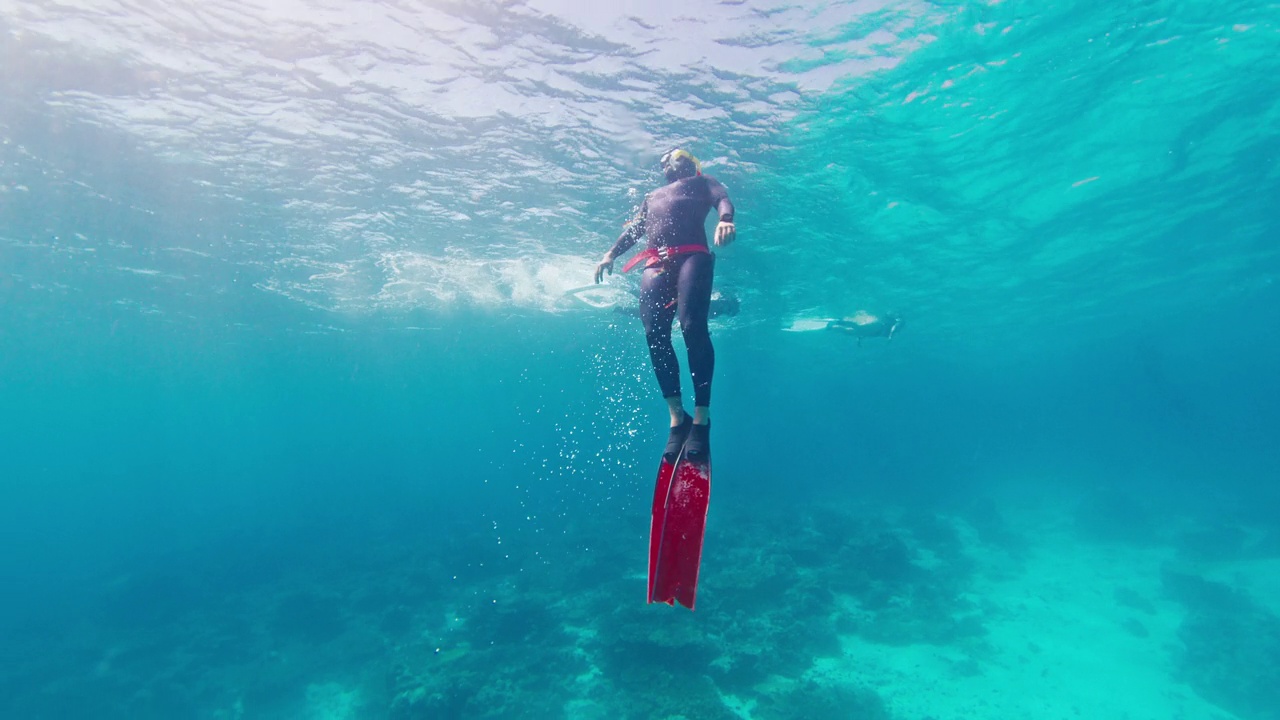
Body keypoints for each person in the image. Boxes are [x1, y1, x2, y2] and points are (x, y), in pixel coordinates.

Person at [593, 148, 736, 461]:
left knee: (691, 326)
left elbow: (722, 200)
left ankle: (701, 418)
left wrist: (726, 220)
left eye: (674, 155)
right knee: (654, 333)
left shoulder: (703, 182)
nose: (666, 161)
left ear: (690, 162)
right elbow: (636, 229)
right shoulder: (652, 194)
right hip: (656, 261)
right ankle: (677, 418)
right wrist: (610, 254)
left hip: (693, 255)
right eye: (664, 158)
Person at [827, 310, 902, 345]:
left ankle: (830, 327)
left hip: (873, 332)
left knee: (848, 332)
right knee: (858, 327)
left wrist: (859, 339)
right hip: (877, 328)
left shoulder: (894, 324)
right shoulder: (896, 322)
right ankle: (840, 321)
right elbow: (894, 327)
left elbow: (866, 334)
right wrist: (890, 337)